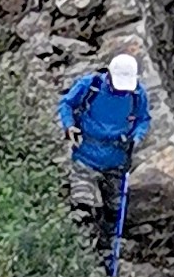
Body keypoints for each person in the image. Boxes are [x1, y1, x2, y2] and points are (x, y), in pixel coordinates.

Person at [57, 52, 151, 254]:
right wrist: (69, 126)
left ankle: (105, 249)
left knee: (114, 210)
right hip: (85, 157)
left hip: (116, 161)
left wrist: (137, 137)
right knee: (82, 206)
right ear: (108, 74)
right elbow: (66, 103)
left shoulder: (137, 95)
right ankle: (80, 251)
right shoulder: (91, 86)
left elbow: (143, 119)